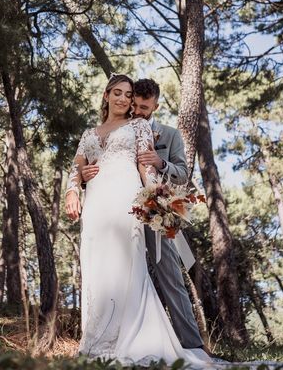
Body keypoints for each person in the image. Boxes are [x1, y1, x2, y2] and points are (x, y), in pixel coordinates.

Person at [65, 74, 215, 368]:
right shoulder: (88, 134)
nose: (125, 100)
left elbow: (148, 168)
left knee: (158, 268)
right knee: (98, 267)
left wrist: (157, 201)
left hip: (131, 203)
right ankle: (97, 340)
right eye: (118, 93)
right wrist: (73, 187)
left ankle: (186, 343)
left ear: (152, 106)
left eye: (128, 95)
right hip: (96, 206)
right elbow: (77, 166)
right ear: (107, 95)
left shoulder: (142, 127)